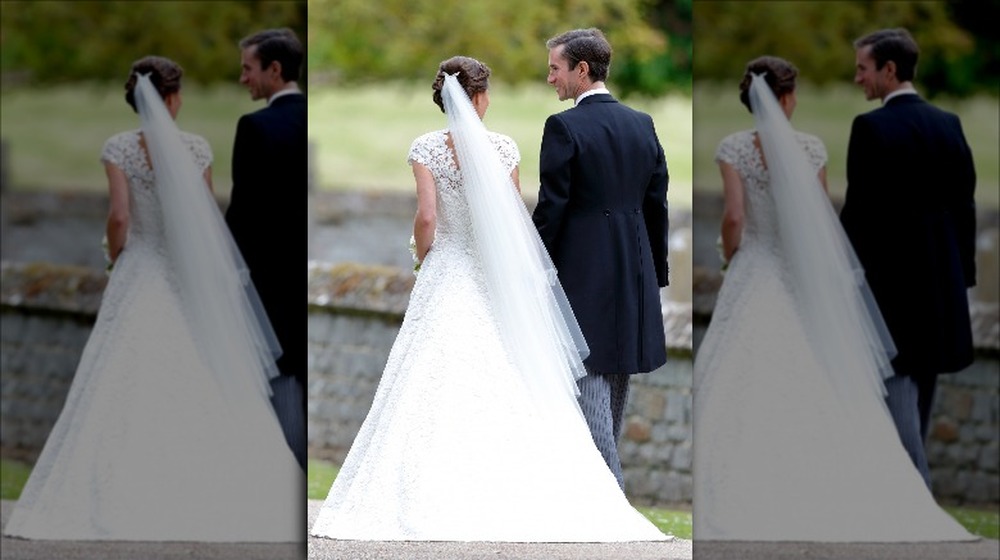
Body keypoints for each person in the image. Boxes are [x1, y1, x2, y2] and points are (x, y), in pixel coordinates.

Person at [310, 56, 669, 542]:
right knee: (511, 377)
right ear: (480, 97)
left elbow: (427, 218)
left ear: (443, 97)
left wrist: (421, 255)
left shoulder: (425, 147)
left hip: (448, 270)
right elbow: (515, 222)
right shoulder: (503, 148)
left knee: (430, 377)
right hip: (494, 278)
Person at [3, 56, 301, 542]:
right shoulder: (197, 149)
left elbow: (120, 217)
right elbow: (204, 221)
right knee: (202, 371)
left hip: (141, 268)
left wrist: (116, 256)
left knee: (123, 372)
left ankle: (123, 490)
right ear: (173, 97)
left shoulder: (120, 147)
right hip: (185, 275)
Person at [691, 55, 975, 542]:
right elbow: (821, 221)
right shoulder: (811, 148)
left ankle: (750, 487)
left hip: (754, 270)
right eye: (794, 92)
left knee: (742, 375)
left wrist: (730, 253)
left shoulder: (734, 146)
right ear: (785, 97)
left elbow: (735, 217)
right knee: (816, 377)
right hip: (801, 278)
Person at [532, 28, 669, 490]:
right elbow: (657, 205)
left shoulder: (564, 126)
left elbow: (552, 208)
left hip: (582, 273)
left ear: (581, 70)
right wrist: (657, 274)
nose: (550, 78)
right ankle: (602, 497)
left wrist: (530, 266)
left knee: (589, 377)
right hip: (634, 270)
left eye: (555, 68)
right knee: (613, 377)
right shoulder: (642, 123)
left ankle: (608, 500)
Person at [841, 28, 977, 489]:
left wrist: (840, 278)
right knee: (917, 404)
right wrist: (964, 279)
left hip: (891, 294)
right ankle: (906, 503)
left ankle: (914, 504)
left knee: (897, 403)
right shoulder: (949, 123)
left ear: (889, 69)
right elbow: (965, 208)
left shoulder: (872, 127)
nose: (858, 78)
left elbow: (860, 217)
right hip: (941, 289)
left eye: (863, 68)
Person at [224, 28, 308, 469]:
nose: (243, 79)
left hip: (269, 279)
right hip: (304, 274)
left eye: (247, 68)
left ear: (274, 70)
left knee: (279, 378)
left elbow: (244, 213)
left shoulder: (256, 126)